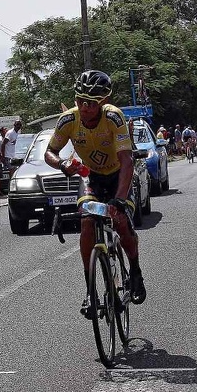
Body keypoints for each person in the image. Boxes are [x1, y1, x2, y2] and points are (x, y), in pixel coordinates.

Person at [44, 70, 147, 316]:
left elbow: (126, 160)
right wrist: (62, 164)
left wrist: (119, 201)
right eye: (80, 101)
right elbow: (50, 152)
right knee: (87, 221)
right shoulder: (68, 120)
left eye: (90, 103)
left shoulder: (114, 117)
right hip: (93, 178)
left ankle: (135, 271)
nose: (85, 107)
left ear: (102, 102)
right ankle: (90, 290)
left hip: (118, 176)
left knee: (121, 223)